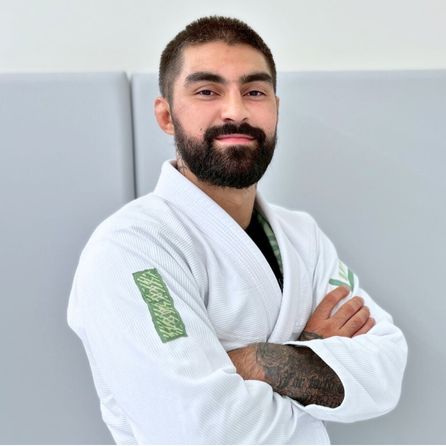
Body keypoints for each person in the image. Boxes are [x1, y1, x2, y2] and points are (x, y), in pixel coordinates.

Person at [67, 16, 407, 444]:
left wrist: (251, 360)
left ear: (276, 109)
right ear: (166, 116)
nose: (236, 111)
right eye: (207, 91)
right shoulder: (131, 249)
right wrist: (312, 353)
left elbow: (386, 369)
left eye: (254, 92)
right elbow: (200, 431)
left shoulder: (302, 237)